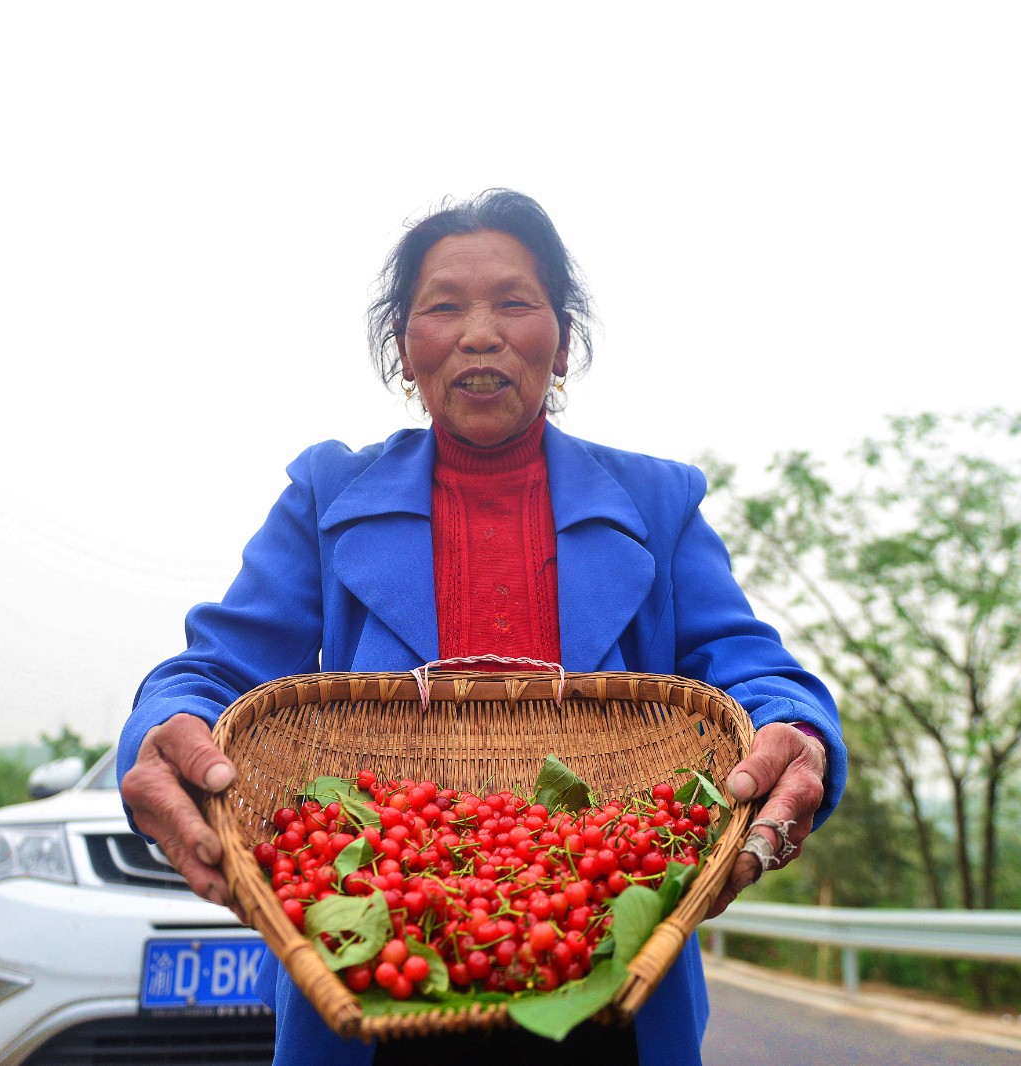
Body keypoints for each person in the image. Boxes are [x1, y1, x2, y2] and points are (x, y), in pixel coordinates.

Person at [117, 189, 848, 1066]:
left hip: (603, 959)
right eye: (443, 307)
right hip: (383, 972)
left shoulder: (656, 504)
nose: (479, 332)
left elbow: (749, 667)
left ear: (563, 341)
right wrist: (161, 734)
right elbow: (218, 669)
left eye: (514, 302)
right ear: (404, 349)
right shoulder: (326, 499)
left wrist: (794, 733)